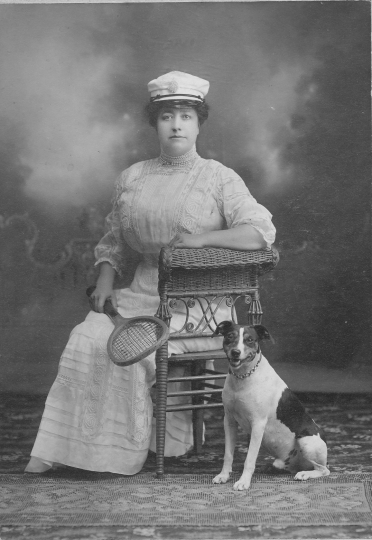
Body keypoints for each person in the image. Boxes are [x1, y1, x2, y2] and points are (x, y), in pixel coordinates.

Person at [25, 71, 276, 475]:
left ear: (199, 123)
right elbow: (114, 240)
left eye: (186, 116)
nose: (176, 124)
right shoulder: (133, 177)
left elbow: (260, 233)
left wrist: (199, 241)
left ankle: (120, 453)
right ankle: (72, 450)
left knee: (133, 348)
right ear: (155, 123)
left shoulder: (218, 177)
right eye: (166, 116)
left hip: (198, 303)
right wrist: (106, 278)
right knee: (87, 336)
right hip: (140, 292)